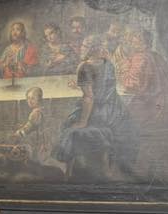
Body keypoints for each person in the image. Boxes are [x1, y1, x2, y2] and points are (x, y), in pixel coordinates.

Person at [53, 34, 131, 178]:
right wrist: (80, 86)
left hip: (97, 112)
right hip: (114, 111)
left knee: (68, 124)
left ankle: (68, 168)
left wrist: (83, 121)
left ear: (91, 49)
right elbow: (101, 87)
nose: (82, 48)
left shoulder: (84, 67)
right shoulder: (108, 63)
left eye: (85, 45)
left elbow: (89, 98)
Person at [16, 87, 49, 162]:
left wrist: (17, 133)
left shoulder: (36, 113)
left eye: (33, 98)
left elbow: (28, 129)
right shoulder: (42, 109)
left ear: (39, 99)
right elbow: (34, 125)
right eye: (28, 98)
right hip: (42, 139)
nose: (29, 101)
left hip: (38, 141)